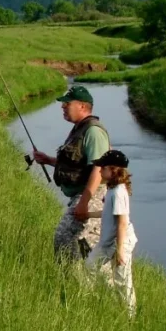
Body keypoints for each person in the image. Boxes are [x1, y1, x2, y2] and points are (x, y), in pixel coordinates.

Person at [31, 85, 110, 262]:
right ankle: (70, 283)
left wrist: (84, 203)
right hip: (82, 197)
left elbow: (98, 169)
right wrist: (48, 160)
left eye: (67, 103)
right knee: (67, 242)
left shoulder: (94, 131)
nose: (63, 107)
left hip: (92, 197)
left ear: (82, 106)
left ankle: (78, 285)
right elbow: (77, 164)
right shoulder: (79, 129)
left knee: (72, 243)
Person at [84, 149, 138, 316]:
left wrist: (120, 250)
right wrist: (88, 214)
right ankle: (90, 304)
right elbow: (107, 213)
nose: (99, 170)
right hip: (108, 242)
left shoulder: (119, 193)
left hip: (119, 242)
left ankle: (130, 317)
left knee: (122, 280)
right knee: (89, 267)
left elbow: (122, 223)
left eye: (103, 167)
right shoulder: (112, 190)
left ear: (114, 170)